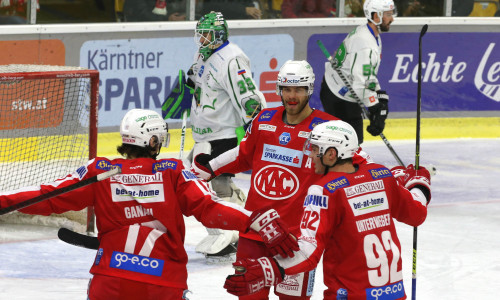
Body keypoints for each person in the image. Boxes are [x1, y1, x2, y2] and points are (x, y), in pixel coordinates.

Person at [0, 109, 298, 300]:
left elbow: (46, 196)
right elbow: (209, 207)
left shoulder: (101, 170)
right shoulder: (171, 170)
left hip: (111, 280)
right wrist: (253, 220)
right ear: (154, 141)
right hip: (163, 284)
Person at [193, 60, 371, 299]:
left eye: (298, 89)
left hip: (296, 240)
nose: (291, 96)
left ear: (309, 90)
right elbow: (245, 153)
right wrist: (210, 167)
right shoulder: (264, 119)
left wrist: (392, 180)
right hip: (254, 233)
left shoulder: (329, 127)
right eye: (286, 89)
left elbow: (357, 161)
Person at [223, 119, 432, 300]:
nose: (310, 155)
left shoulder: (324, 190)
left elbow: (308, 251)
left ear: (331, 154)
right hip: (394, 294)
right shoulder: (381, 176)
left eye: (315, 149)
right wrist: (420, 183)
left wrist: (268, 268)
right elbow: (417, 213)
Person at [186, 11, 267, 261]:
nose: (201, 40)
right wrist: (189, 81)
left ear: (219, 34)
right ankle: (235, 227)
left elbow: (248, 96)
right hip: (204, 133)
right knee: (209, 181)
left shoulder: (232, 59)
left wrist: (256, 128)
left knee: (208, 181)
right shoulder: (204, 53)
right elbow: (198, 77)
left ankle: (242, 228)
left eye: (206, 35)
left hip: (222, 133)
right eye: (200, 35)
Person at [320, 0, 396, 144]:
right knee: (347, 145)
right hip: (338, 96)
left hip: (342, 90)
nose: (392, 19)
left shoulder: (369, 33)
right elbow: (360, 85)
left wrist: (378, 94)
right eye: (388, 14)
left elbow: (366, 75)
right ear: (376, 16)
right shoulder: (365, 44)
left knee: (353, 144)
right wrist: (375, 107)